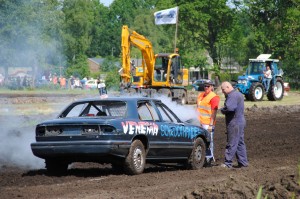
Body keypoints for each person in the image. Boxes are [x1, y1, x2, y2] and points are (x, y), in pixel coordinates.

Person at [220, 81, 248, 168]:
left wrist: (222, 110)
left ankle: (228, 163)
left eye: (223, 89)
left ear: (228, 87)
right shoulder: (238, 94)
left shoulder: (232, 96)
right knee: (240, 142)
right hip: (240, 121)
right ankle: (243, 162)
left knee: (232, 142)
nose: (222, 91)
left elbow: (230, 108)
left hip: (234, 122)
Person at [196, 79, 220, 165]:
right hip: (199, 122)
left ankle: (209, 158)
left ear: (212, 87)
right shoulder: (200, 95)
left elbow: (214, 112)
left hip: (207, 124)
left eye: (208, 86)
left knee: (209, 141)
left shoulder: (214, 97)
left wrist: (210, 125)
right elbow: (197, 108)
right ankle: (202, 157)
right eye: (205, 85)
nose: (206, 87)